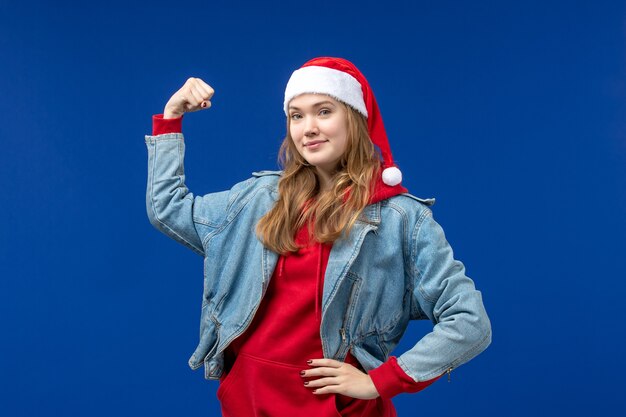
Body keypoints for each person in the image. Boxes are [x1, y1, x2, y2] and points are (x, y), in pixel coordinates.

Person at [145, 57, 491, 416]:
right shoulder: (260, 199)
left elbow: (470, 322)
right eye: (297, 115)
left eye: (323, 111)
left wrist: (380, 381)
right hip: (248, 403)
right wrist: (171, 118)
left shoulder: (401, 219)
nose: (308, 128)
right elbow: (168, 208)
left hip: (337, 410)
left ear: (355, 119)